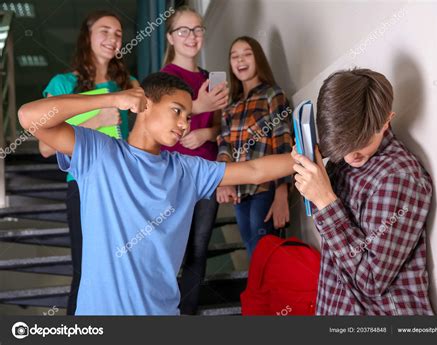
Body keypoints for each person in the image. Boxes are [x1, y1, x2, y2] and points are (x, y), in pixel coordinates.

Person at [18, 72, 294, 315]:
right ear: (145, 104)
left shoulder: (187, 170)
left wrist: (311, 157)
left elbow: (255, 170)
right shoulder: (98, 153)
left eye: (188, 116)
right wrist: (112, 99)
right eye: (176, 111)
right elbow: (29, 117)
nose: (185, 124)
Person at [291, 68, 434, 315]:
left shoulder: (397, 179)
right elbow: (335, 239)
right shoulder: (343, 157)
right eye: (344, 145)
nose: (351, 155)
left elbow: (371, 280)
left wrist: (325, 200)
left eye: (362, 143)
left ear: (387, 119)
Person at [38, 10, 139, 315]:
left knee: (123, 270)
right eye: (105, 31)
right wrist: (96, 119)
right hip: (83, 187)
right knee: (85, 270)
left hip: (122, 186)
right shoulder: (62, 84)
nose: (113, 38)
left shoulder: (129, 83)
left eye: (118, 33)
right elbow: (45, 146)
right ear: (88, 37)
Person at [161, 6, 229, 315]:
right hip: (173, 175)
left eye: (198, 29)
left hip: (207, 172)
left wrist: (206, 135)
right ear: (171, 38)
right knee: (168, 249)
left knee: (198, 249)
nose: (192, 36)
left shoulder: (209, 78)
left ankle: (185, 313)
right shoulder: (163, 79)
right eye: (184, 31)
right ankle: (159, 308)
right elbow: (160, 130)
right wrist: (197, 105)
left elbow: (222, 129)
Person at [217, 36, 293, 257]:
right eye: (234, 56)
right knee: (254, 256)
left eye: (247, 54)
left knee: (265, 253)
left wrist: (281, 194)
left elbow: (282, 142)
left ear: (258, 58)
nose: (240, 60)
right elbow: (224, 146)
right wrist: (224, 181)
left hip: (265, 188)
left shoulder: (272, 94)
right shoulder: (230, 107)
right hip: (241, 191)